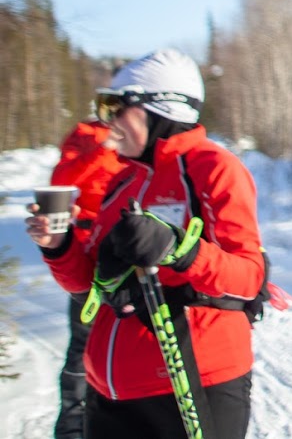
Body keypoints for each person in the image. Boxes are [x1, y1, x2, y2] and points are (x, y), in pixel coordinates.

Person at [26, 48, 264, 439]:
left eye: (115, 107)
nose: (107, 122)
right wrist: (58, 244)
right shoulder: (123, 181)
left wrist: (179, 250)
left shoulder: (213, 168)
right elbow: (88, 283)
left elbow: (248, 276)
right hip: (110, 389)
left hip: (188, 383)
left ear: (161, 108)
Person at [46, 117, 124, 439]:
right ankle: (72, 427)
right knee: (84, 340)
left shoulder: (148, 130)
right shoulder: (86, 134)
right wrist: (104, 149)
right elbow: (61, 179)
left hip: (134, 247)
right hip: (89, 252)